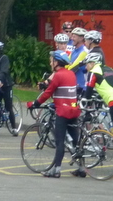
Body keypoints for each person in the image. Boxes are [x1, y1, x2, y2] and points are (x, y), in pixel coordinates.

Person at [28, 50, 80, 178]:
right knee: (76, 142)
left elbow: (47, 93)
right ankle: (81, 168)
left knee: (59, 142)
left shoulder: (58, 75)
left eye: (51, 60)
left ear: (56, 62)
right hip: (74, 111)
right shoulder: (71, 74)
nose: (50, 62)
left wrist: (35, 103)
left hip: (62, 112)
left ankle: (56, 170)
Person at [66, 28, 88, 95]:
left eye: (74, 36)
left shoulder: (84, 51)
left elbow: (73, 68)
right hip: (73, 85)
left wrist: (70, 65)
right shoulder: (74, 51)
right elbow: (65, 64)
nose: (71, 38)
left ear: (81, 38)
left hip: (81, 86)